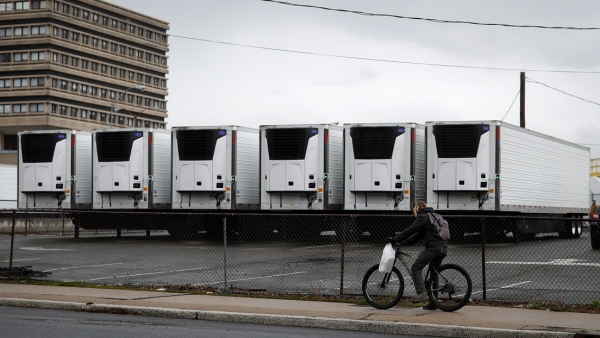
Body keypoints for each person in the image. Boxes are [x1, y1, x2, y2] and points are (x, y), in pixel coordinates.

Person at [388, 201, 448, 310]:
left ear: (416, 210)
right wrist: (405, 242)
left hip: (433, 248)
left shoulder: (423, 217)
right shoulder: (434, 216)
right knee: (433, 273)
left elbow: (411, 230)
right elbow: (418, 235)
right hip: (443, 247)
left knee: (416, 268)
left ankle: (421, 292)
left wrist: (396, 239)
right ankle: (434, 302)